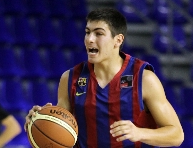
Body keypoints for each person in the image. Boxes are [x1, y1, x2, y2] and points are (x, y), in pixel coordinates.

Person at [24, 8, 184, 147]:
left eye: (98, 33)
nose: (89, 39)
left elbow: (176, 135)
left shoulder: (143, 78)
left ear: (118, 40)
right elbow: (61, 127)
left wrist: (140, 133)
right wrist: (41, 119)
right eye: (87, 32)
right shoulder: (70, 78)